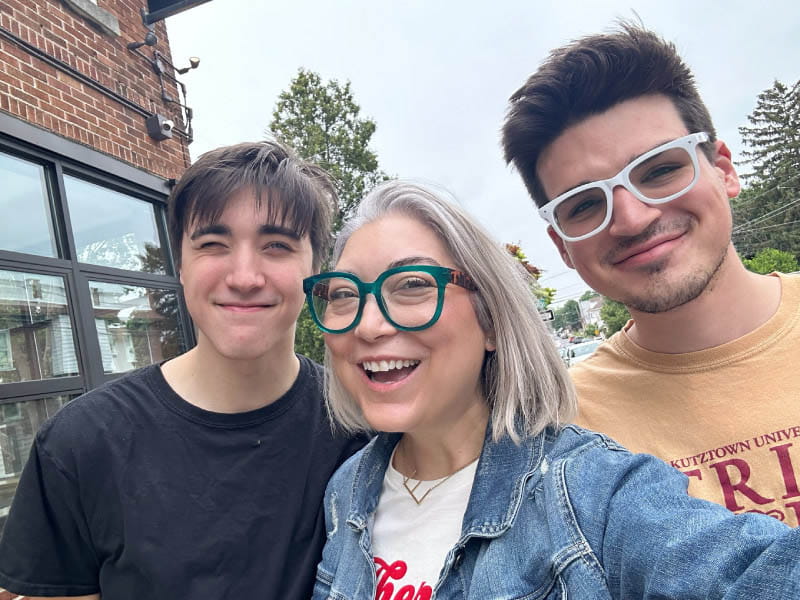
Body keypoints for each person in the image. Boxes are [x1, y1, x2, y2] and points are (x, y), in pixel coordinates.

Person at [305, 180, 800, 599]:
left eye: (412, 285)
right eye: (345, 294)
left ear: (492, 321)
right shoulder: (346, 492)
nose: (368, 326)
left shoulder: (589, 490)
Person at [0, 141, 365, 599]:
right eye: (214, 244)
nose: (245, 276)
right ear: (181, 266)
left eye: (277, 245)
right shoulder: (82, 443)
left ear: (315, 268)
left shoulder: (360, 428)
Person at [501, 24, 800, 525]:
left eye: (660, 169)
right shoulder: (564, 433)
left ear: (723, 169)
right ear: (562, 247)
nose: (633, 218)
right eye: (584, 204)